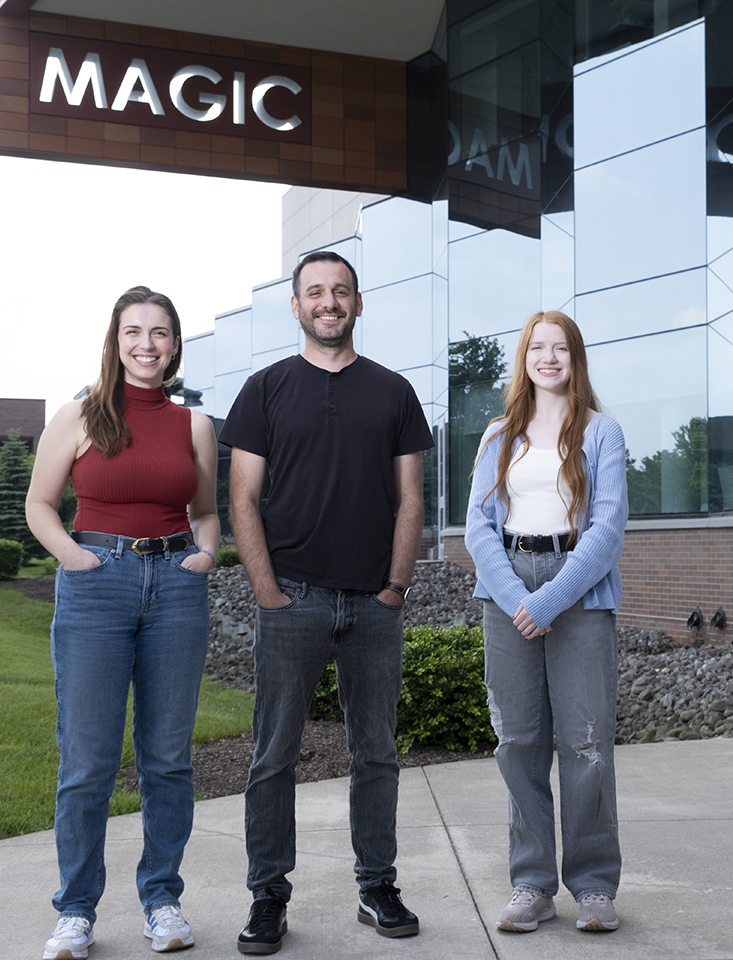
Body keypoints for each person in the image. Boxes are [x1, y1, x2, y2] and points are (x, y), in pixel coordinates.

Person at [221, 250, 434, 955]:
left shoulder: (394, 392)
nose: (328, 301)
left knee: (376, 752)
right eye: (315, 292)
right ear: (296, 306)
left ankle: (377, 886)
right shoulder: (265, 390)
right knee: (273, 756)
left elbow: (411, 498)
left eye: (340, 291)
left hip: (374, 605)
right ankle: (268, 899)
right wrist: (267, 591)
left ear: (358, 304)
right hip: (295, 601)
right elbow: (242, 499)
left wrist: (396, 586)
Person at [26, 286, 220, 959]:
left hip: (174, 587)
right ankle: (75, 912)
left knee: (167, 759)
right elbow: (40, 505)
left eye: (160, 333)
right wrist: (76, 559)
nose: (147, 344)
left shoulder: (193, 426)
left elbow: (207, 512)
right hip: (95, 587)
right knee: (88, 761)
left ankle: (161, 901)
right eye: (134, 331)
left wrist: (208, 552)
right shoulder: (78, 415)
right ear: (115, 341)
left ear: (174, 345)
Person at [464, 310, 629, 934]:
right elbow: (478, 527)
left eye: (561, 348)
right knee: (518, 742)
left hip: (578, 591)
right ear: (525, 358)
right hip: (507, 585)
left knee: (586, 742)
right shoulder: (497, 434)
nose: (550, 358)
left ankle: (592, 887)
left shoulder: (602, 432)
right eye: (539, 348)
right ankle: (531, 884)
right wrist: (516, 599)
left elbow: (608, 530)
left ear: (575, 358)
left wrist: (550, 600)